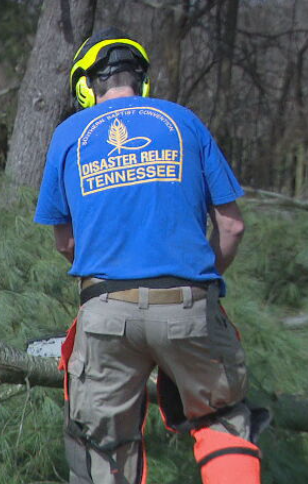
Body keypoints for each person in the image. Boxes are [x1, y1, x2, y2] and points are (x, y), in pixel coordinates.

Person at [34, 27, 266, 484]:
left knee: (105, 445)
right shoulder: (185, 121)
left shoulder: (68, 136)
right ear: (142, 81)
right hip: (189, 306)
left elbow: (66, 243)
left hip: (105, 313)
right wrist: (198, 283)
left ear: (85, 85)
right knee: (221, 420)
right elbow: (232, 226)